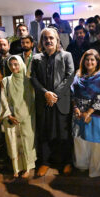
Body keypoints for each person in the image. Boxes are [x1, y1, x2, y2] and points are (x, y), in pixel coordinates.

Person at [30, 28, 75, 177]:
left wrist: (55, 94)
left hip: (61, 101)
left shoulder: (66, 56)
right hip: (44, 102)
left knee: (64, 133)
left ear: (57, 40)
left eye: (51, 38)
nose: (48, 41)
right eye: (45, 38)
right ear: (42, 42)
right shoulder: (36, 58)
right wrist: (46, 93)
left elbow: (70, 76)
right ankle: (45, 162)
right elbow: (33, 78)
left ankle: (66, 162)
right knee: (45, 132)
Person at [71, 49, 100, 177]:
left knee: (96, 143)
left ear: (97, 62)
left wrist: (88, 112)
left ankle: (96, 170)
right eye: (87, 59)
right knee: (80, 140)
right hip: (78, 112)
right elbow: (72, 92)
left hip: (95, 113)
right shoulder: (78, 74)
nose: (89, 62)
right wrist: (76, 108)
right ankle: (82, 165)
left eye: (92, 60)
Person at [0, 55, 37, 178]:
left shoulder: (28, 80)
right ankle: (16, 168)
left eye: (16, 64)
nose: (13, 67)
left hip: (27, 116)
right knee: (13, 142)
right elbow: (3, 99)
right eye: (11, 65)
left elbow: (32, 99)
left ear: (21, 64)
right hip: (11, 117)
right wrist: (9, 115)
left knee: (27, 142)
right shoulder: (6, 81)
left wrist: (25, 115)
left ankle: (28, 167)